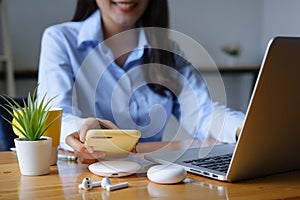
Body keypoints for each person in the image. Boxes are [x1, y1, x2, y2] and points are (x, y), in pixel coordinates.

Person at [37, 0, 245, 163]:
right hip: (83, 176)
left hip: (149, 174)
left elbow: (203, 114)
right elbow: (55, 116)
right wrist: (83, 127)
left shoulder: (166, 51)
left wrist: (243, 127)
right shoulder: (60, 39)